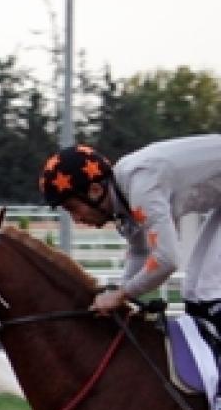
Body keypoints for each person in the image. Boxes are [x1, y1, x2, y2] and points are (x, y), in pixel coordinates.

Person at [38, 135, 221, 349]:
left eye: (72, 208)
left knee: (210, 287)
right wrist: (117, 291)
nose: (76, 219)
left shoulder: (140, 186)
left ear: (95, 190)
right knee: (192, 289)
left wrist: (122, 294)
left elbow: (166, 259)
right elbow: (140, 253)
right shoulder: (122, 196)